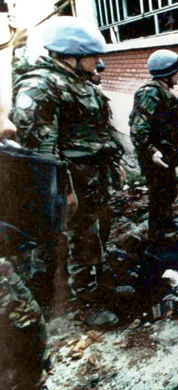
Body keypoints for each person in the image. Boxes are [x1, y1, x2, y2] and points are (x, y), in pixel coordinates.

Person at [11, 16, 124, 326]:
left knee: (95, 235)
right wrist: (64, 190)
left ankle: (98, 286)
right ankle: (86, 304)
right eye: (92, 55)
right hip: (69, 181)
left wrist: (113, 165)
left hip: (91, 178)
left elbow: (97, 131)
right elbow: (40, 150)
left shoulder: (79, 82)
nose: (98, 61)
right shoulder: (41, 85)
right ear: (71, 54)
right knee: (79, 242)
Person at [0, 9, 84, 390]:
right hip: (42, 187)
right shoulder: (41, 85)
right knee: (22, 317)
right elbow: (36, 145)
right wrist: (62, 187)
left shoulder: (71, 82)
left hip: (57, 182)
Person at [129, 49, 178, 256]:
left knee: (168, 191)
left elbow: (174, 125)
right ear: (167, 73)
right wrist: (152, 152)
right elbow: (138, 128)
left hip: (166, 155)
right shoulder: (150, 93)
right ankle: (157, 237)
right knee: (159, 194)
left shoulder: (164, 92)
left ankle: (165, 225)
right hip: (156, 158)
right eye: (177, 70)